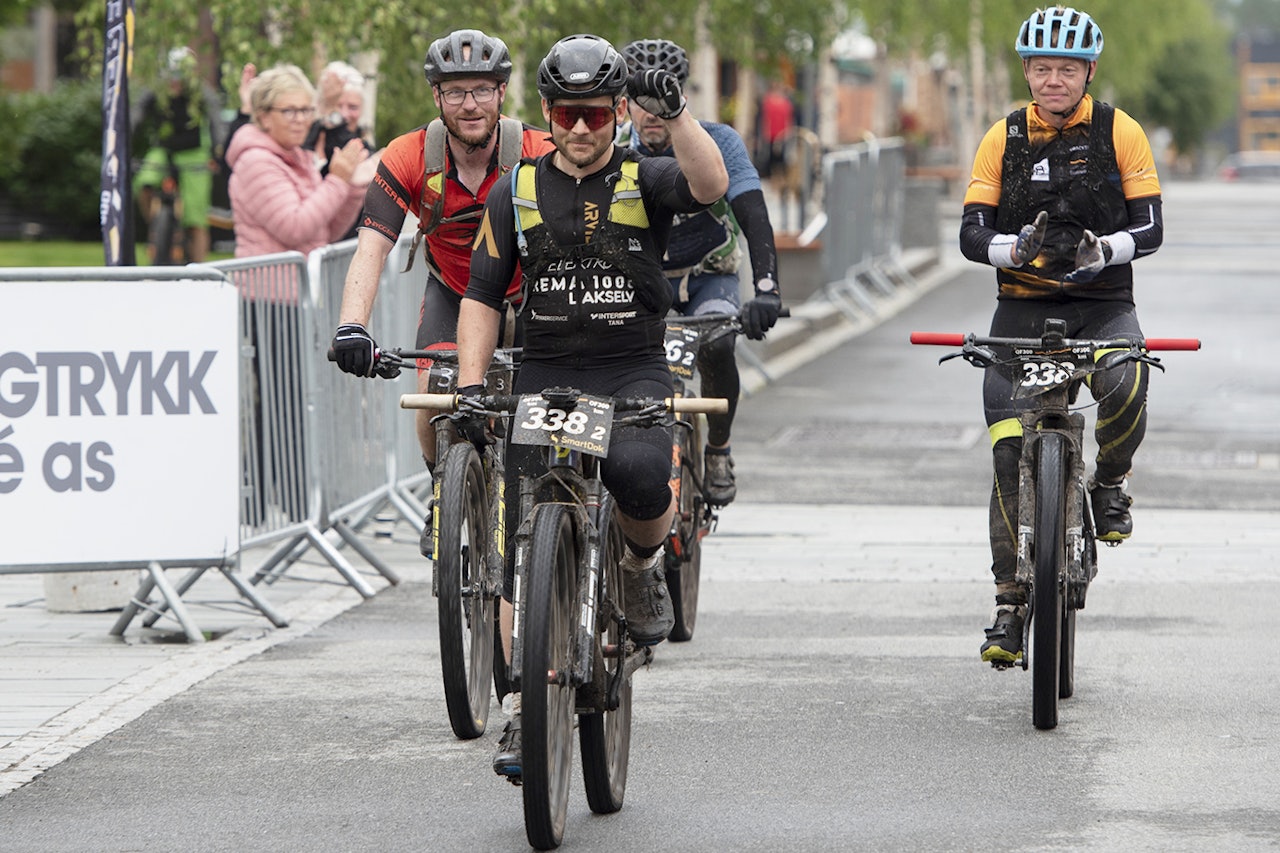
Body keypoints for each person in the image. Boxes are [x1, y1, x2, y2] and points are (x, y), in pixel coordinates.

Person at [448, 32, 727, 782]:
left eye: (596, 116)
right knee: (518, 551)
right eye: (567, 115)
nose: (579, 130)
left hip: (629, 369)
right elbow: (478, 297)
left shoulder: (648, 175)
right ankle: (524, 701)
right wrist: (472, 388)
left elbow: (709, 186)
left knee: (640, 475)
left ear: (616, 113)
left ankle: (637, 566)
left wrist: (678, 115)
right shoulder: (517, 189)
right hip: (545, 373)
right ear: (548, 111)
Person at [958, 6, 1162, 665]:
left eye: (1066, 69)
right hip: (1020, 314)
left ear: (1088, 72)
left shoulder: (1119, 131)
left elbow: (1153, 226)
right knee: (1005, 450)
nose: (1053, 80)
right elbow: (969, 233)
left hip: (1102, 305)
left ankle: (1109, 485)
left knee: (1126, 380)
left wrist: (1110, 248)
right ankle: (1010, 607)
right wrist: (1010, 250)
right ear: (1026, 72)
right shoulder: (1002, 137)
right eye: (1042, 68)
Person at [329, 28, 555, 556]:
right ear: (437, 97)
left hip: (532, 295)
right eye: (455, 92)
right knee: (434, 389)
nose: (469, 104)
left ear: (502, 92)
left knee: (543, 408)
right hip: (454, 291)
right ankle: (442, 488)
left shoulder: (539, 151)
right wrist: (351, 326)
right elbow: (370, 249)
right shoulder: (410, 155)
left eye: (481, 89)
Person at [620, 38, 783, 506]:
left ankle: (718, 448)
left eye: (663, 94)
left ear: (683, 93)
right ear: (624, 100)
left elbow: (754, 216)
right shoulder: (611, 147)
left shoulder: (720, 141)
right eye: (640, 97)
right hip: (644, 282)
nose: (652, 112)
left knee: (717, 342)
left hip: (709, 274)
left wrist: (768, 288)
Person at [225, 63, 371, 258]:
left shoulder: (299, 156)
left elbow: (326, 231)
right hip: (271, 286)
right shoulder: (256, 161)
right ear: (264, 117)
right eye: (290, 111)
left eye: (306, 110)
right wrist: (337, 181)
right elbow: (294, 228)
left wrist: (353, 187)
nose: (301, 119)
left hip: (299, 285)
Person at [132, 47, 222, 263]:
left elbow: (216, 121)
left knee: (195, 217)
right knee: (144, 182)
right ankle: (156, 226)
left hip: (194, 154)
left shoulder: (200, 92)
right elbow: (135, 117)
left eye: (179, 78)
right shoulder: (156, 91)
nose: (174, 83)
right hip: (163, 151)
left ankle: (200, 268)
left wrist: (217, 153)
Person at [758, 79, 795, 179]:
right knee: (770, 156)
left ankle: (781, 176)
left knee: (782, 157)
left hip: (782, 133)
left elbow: (788, 118)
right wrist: (766, 131)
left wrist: (787, 131)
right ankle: (770, 175)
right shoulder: (768, 101)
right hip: (771, 133)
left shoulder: (786, 103)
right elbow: (766, 118)